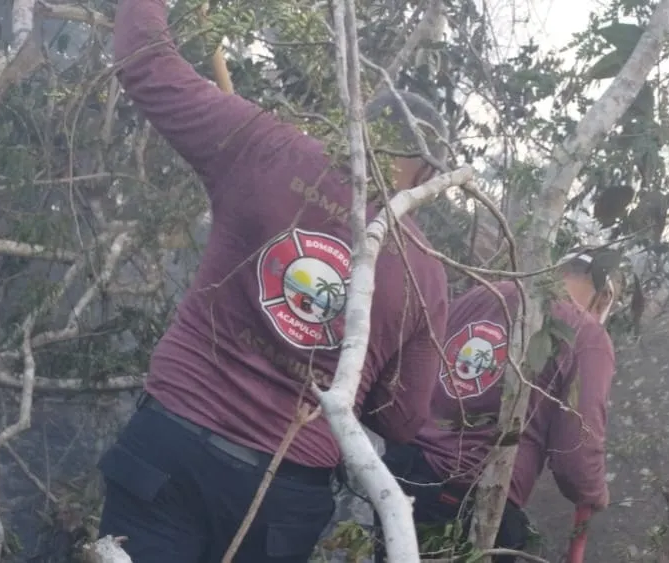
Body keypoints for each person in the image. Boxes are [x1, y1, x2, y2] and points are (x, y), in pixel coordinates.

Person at [97, 0, 451, 561]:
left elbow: (144, 62)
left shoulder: (265, 146)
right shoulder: (424, 272)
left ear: (357, 123)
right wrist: (340, 369)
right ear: (429, 174)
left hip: (171, 446)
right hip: (281, 497)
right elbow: (404, 421)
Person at [374, 250, 617, 562]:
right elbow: (576, 452)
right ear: (605, 296)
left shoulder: (485, 295)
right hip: (469, 499)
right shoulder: (586, 334)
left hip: (401, 474)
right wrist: (593, 493)